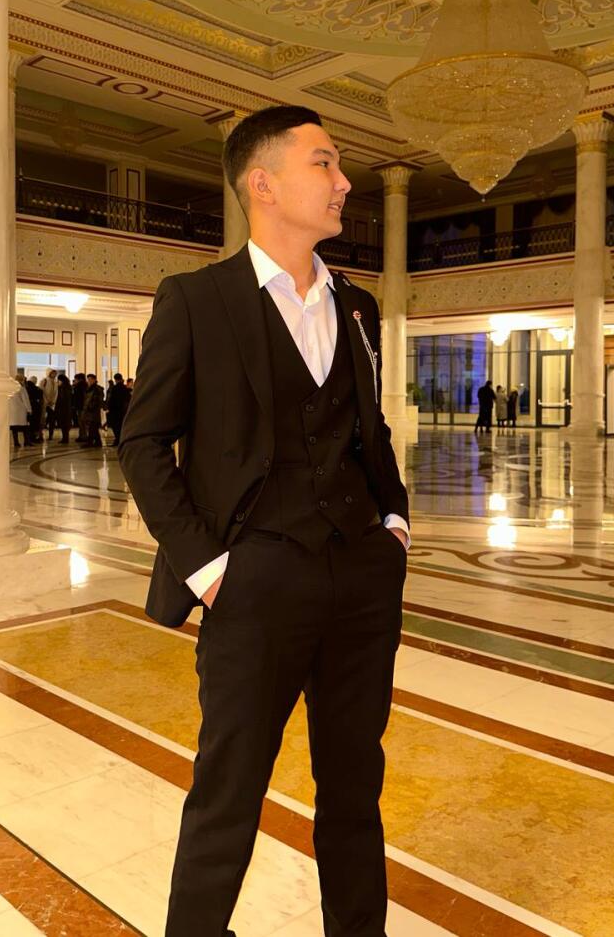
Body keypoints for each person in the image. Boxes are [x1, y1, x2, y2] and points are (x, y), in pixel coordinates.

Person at [119, 105, 409, 937]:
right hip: (251, 582)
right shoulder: (196, 301)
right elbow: (143, 443)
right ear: (264, 183)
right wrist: (211, 570)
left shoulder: (357, 305)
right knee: (229, 791)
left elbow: (369, 428)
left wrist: (394, 525)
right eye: (325, 162)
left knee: (354, 788)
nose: (344, 180)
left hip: (359, 579)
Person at [106, 373, 131, 447]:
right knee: (121, 425)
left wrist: (109, 408)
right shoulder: (124, 388)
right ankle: (121, 439)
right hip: (123, 410)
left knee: (116, 426)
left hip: (115, 410)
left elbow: (111, 400)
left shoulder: (115, 388)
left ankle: (118, 439)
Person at [79, 374, 104, 447]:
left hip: (93, 412)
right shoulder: (89, 389)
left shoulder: (96, 389)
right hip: (89, 411)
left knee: (92, 427)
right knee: (93, 427)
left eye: (90, 380)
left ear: (94, 380)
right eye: (88, 380)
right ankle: (98, 442)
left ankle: (90, 442)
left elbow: (97, 400)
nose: (88, 381)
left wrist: (91, 407)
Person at [8, 374, 31, 448]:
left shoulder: (10, 388)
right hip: (21, 410)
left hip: (12, 411)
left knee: (14, 428)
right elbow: (26, 400)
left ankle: (16, 443)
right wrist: (29, 409)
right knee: (25, 427)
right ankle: (26, 442)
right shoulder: (21, 388)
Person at [40, 368, 58, 441]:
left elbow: (56, 393)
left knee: (52, 420)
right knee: (42, 420)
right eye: (53, 373)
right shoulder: (44, 381)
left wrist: (53, 401)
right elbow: (42, 392)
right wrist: (47, 401)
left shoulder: (55, 382)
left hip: (52, 404)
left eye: (55, 373)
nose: (54, 375)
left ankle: (51, 435)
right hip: (45, 403)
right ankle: (40, 434)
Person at [55, 372, 73, 444]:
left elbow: (61, 399)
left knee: (64, 424)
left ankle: (65, 439)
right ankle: (65, 438)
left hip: (63, 409)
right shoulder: (68, 387)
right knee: (65, 425)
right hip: (67, 409)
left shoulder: (63, 389)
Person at [25, 375, 44, 444]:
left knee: (29, 423)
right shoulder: (37, 389)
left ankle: (29, 438)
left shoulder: (26, 388)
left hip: (29, 407)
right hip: (36, 407)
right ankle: (33, 437)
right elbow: (40, 395)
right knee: (35, 423)